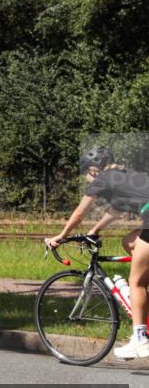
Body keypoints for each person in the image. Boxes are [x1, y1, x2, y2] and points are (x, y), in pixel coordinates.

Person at [44, 147, 149, 360]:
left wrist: (61, 236)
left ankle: (140, 340)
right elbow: (115, 212)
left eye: (85, 173)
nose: (86, 179)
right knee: (129, 242)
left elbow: (80, 212)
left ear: (93, 169)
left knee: (136, 282)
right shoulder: (122, 177)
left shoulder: (102, 178)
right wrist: (94, 231)